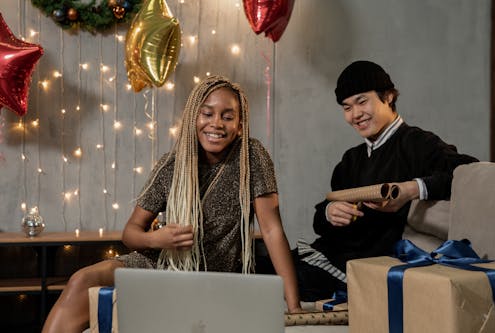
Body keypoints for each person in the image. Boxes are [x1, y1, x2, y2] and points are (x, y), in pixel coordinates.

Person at [42, 75, 302, 333]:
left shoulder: (251, 156)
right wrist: (158, 240)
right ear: (193, 118)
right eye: (207, 114)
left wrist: (294, 307)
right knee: (82, 279)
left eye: (227, 116)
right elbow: (130, 232)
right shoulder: (172, 164)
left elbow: (272, 231)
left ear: (240, 124)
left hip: (213, 276)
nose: (216, 123)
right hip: (160, 266)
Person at [294, 60, 479, 301]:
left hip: (368, 260)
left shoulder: (417, 143)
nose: (355, 114)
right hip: (332, 249)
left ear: (388, 96)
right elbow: (321, 218)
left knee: (287, 278)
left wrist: (411, 188)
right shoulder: (351, 159)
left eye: (362, 101)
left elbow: (468, 172)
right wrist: (329, 212)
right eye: (347, 107)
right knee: (261, 263)